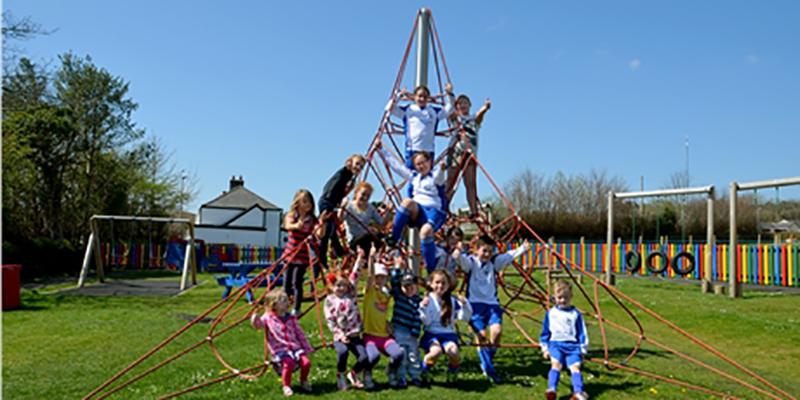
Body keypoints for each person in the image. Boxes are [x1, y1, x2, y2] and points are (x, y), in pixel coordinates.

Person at [453, 235, 531, 383]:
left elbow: (508, 256)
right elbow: (461, 260)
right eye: (484, 251)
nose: (487, 254)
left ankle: (486, 360)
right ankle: (489, 370)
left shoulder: (494, 262)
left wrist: (522, 249)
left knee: (496, 332)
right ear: (476, 250)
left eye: (490, 251)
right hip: (475, 305)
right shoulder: (471, 263)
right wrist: (457, 254)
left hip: (492, 304)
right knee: (482, 336)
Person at [378, 141, 447, 271]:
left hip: (434, 211)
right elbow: (397, 167)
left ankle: (430, 268)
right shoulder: (415, 177)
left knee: (425, 233)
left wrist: (442, 168)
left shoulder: (434, 177)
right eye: (418, 164)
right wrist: (382, 150)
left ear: (430, 162)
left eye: (423, 162)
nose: (421, 166)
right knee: (406, 202)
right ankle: (394, 237)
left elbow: (439, 178)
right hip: (418, 210)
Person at [250, 289, 314, 397]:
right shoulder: (268, 317)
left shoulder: (291, 318)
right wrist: (254, 319)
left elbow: (299, 333)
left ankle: (303, 381)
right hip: (280, 349)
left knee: (306, 363)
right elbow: (259, 325)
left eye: (286, 300)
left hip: (295, 347)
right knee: (289, 363)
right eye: (283, 300)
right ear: (274, 304)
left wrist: (306, 347)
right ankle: (286, 386)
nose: (287, 302)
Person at [323, 250, 368, 391]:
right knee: (343, 353)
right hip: (340, 336)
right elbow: (330, 320)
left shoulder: (351, 293)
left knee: (364, 357)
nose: (341, 288)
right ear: (331, 286)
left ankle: (353, 374)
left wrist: (360, 258)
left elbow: (355, 275)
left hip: (354, 334)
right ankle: (340, 375)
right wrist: (340, 335)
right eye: (337, 285)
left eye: (343, 285)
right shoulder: (330, 300)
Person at [360, 253, 405, 389]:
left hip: (384, 335)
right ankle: (367, 373)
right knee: (373, 357)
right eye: (377, 277)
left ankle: (391, 370)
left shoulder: (386, 295)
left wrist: (388, 324)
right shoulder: (369, 292)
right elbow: (369, 278)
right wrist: (371, 258)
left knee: (398, 353)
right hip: (370, 335)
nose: (379, 280)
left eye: (382, 277)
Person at [419, 269, 472, 383]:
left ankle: (452, 373)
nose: (440, 285)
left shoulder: (452, 301)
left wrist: (465, 305)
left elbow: (464, 317)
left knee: (453, 352)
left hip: (448, 334)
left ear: (448, 285)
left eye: (444, 283)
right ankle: (425, 369)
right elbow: (426, 322)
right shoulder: (427, 300)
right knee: (435, 352)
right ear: (431, 284)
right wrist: (423, 308)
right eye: (437, 282)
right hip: (432, 334)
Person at [540, 279, 589, 400]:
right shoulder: (551, 313)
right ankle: (552, 389)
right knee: (555, 365)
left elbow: (582, 333)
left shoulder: (575, 314)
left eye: (566, 297)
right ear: (555, 297)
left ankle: (578, 392)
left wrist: (583, 350)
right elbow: (545, 332)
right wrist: (545, 348)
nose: (562, 300)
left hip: (573, 347)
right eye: (560, 297)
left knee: (575, 368)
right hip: (556, 345)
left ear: (571, 297)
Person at [386, 83, 455, 169]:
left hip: (428, 151)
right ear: (414, 97)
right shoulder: (408, 110)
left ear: (428, 98)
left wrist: (450, 93)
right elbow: (389, 108)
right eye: (419, 96)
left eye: (425, 97)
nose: (422, 99)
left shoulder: (433, 111)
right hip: (412, 150)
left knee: (427, 180)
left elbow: (451, 108)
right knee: (411, 177)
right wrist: (399, 95)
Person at [445, 95, 491, 217]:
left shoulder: (473, 119)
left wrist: (485, 108)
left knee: (470, 183)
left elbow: (479, 116)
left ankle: (473, 210)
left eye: (465, 103)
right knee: (451, 181)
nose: (463, 105)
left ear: (470, 105)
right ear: (456, 106)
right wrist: (450, 94)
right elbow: (450, 111)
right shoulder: (456, 118)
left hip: (470, 155)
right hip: (456, 153)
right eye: (460, 103)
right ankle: (444, 205)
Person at [318, 154, 366, 269]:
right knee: (329, 231)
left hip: (330, 202)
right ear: (349, 162)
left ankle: (330, 254)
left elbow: (341, 192)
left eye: (361, 166)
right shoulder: (342, 174)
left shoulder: (348, 176)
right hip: (327, 202)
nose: (359, 167)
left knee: (331, 230)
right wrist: (333, 204)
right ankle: (330, 254)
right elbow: (330, 188)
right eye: (357, 164)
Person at [283, 189, 325, 315]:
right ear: (298, 202)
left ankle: (296, 308)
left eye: (310, 202)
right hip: (290, 254)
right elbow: (288, 226)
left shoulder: (312, 219)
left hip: (302, 256)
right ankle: (284, 307)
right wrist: (297, 225)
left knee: (297, 282)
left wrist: (322, 224)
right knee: (286, 283)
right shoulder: (291, 215)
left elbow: (320, 234)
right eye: (305, 201)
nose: (308, 204)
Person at [389, 261, 423, 387]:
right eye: (406, 287)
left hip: (412, 333)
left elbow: (418, 317)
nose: (408, 290)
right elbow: (394, 281)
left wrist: (415, 331)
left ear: (416, 287)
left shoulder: (418, 301)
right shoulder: (399, 296)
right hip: (399, 330)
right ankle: (401, 377)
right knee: (402, 355)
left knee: (414, 355)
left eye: (411, 287)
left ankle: (416, 376)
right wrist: (397, 267)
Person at [340, 182, 386, 258]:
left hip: (367, 238)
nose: (365, 197)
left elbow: (381, 222)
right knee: (369, 236)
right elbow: (340, 219)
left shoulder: (370, 208)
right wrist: (342, 208)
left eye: (368, 196)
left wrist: (388, 213)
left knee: (383, 237)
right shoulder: (349, 206)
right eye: (363, 194)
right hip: (354, 240)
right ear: (356, 193)